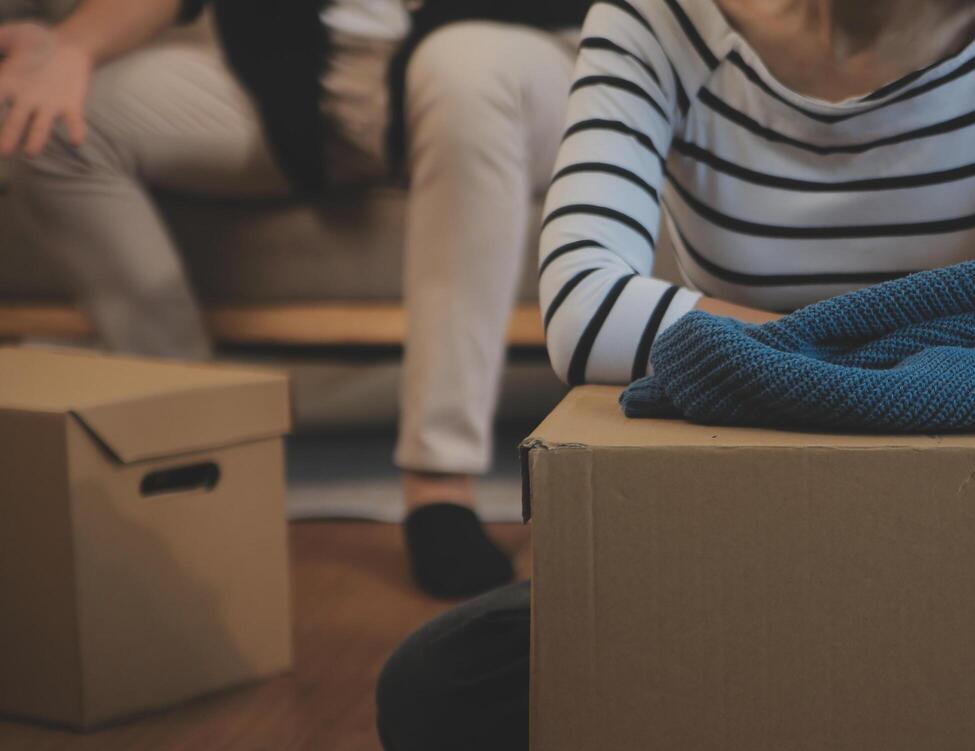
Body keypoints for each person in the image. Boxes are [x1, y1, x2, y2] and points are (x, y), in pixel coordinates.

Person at [376, 0, 975, 751]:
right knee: (435, 695)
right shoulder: (658, 17)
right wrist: (973, 317)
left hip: (961, 541)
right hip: (736, 539)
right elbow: (585, 313)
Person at [0, 0, 588, 598]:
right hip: (301, 81)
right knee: (43, 121)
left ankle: (440, 481)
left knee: (463, 68)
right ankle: (198, 437)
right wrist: (68, 47)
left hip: (508, 53)